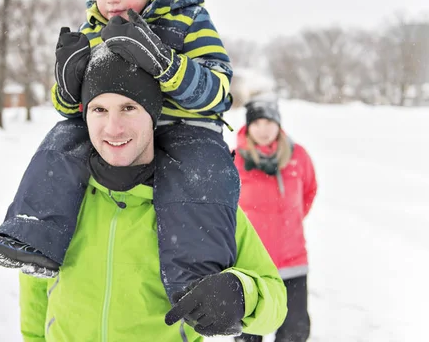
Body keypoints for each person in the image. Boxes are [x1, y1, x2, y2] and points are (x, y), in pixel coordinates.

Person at [0, 0, 241, 300]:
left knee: (200, 175)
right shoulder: (93, 29)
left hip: (184, 126)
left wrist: (166, 64)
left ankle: (197, 281)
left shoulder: (187, 19)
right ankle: (34, 234)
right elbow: (72, 109)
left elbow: (219, 91)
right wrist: (67, 87)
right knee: (63, 139)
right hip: (116, 128)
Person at [18, 45, 287, 342]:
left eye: (129, 108)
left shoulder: (199, 199)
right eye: (100, 109)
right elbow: (35, 292)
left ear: (153, 113)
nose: (113, 127)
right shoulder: (62, 194)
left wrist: (242, 293)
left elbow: (275, 300)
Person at [232, 95, 318, 342]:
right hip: (251, 264)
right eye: (257, 123)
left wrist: (290, 221)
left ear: (278, 124)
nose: (263, 130)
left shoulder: (298, 155)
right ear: (249, 126)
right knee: (249, 332)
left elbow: (310, 189)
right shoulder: (235, 159)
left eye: (268, 122)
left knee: (295, 329)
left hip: (293, 259)